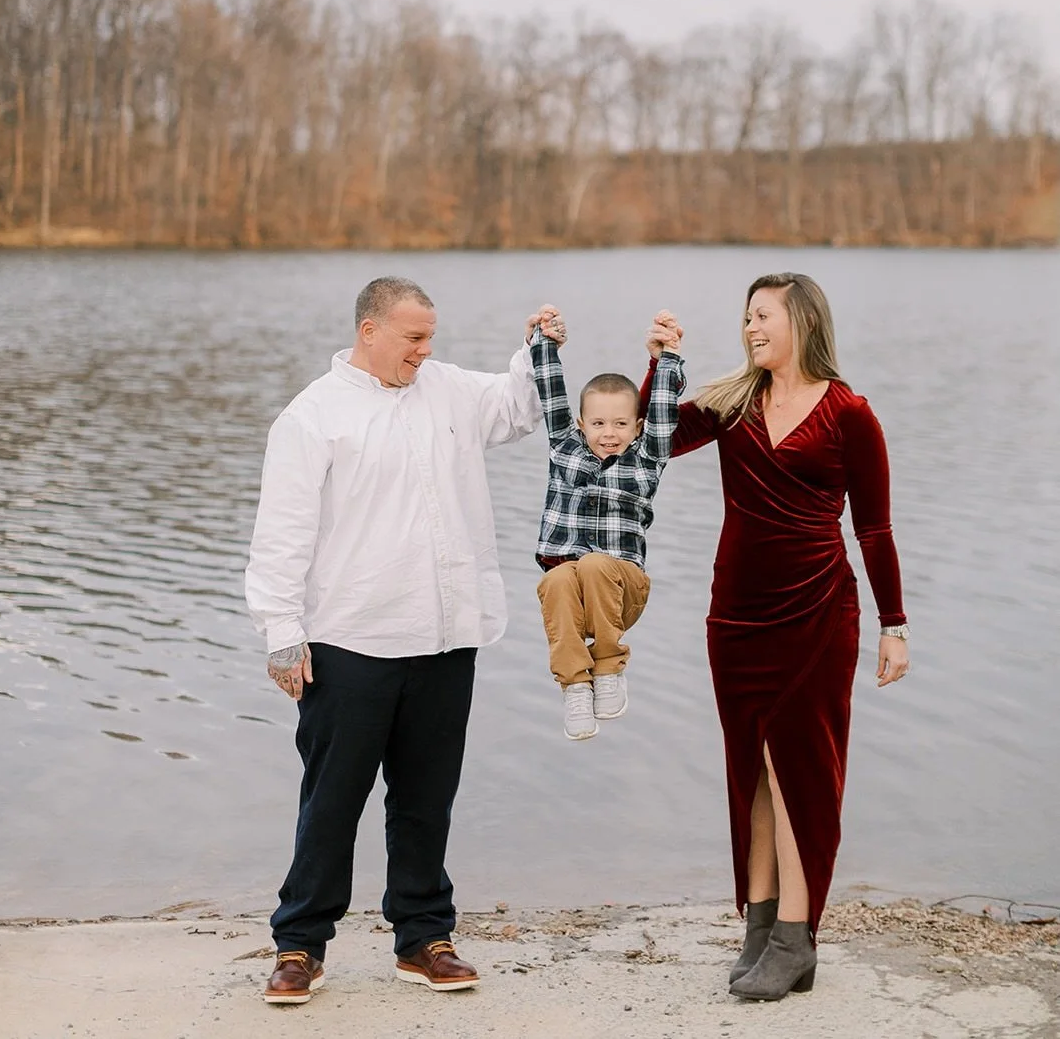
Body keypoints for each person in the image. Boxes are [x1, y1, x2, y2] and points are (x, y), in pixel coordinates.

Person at [244, 276, 552, 1005]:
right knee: (332, 800)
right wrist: (281, 635)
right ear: (369, 332)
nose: (425, 350)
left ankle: (422, 938)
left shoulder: (446, 389)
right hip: (349, 640)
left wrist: (535, 351)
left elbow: (516, 409)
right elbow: (280, 537)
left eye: (430, 337)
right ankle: (299, 945)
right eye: (414, 337)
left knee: (425, 797)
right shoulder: (311, 417)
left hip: (447, 635)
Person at [640, 279, 910, 1001]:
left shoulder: (849, 413)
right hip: (735, 612)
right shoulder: (731, 402)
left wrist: (894, 624)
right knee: (750, 768)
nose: (750, 327)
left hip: (817, 612)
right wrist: (661, 364)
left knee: (799, 771)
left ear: (800, 321)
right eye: (747, 316)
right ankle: (760, 926)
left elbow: (874, 527)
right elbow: (649, 441)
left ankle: (796, 934)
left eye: (762, 315)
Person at [530, 311, 686, 741]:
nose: (609, 433)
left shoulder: (647, 458)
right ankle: (576, 686)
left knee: (597, 563)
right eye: (598, 424)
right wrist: (545, 343)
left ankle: (610, 666)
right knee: (560, 576)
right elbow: (551, 393)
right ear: (581, 425)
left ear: (637, 428)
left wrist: (669, 356)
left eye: (620, 424)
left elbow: (663, 412)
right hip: (571, 601)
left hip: (622, 592)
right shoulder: (565, 447)